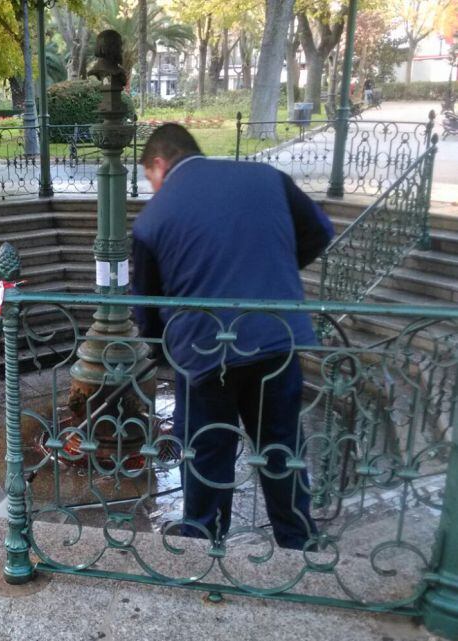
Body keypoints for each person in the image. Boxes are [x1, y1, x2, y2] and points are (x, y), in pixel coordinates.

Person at [132, 124, 334, 551]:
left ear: (159, 163)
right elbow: (319, 232)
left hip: (206, 353)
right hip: (276, 336)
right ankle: (299, 547)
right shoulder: (267, 178)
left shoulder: (154, 217)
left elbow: (146, 309)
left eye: (149, 178)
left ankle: (203, 548)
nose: (152, 188)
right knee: (281, 447)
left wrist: (159, 346)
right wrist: (271, 276)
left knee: (206, 452)